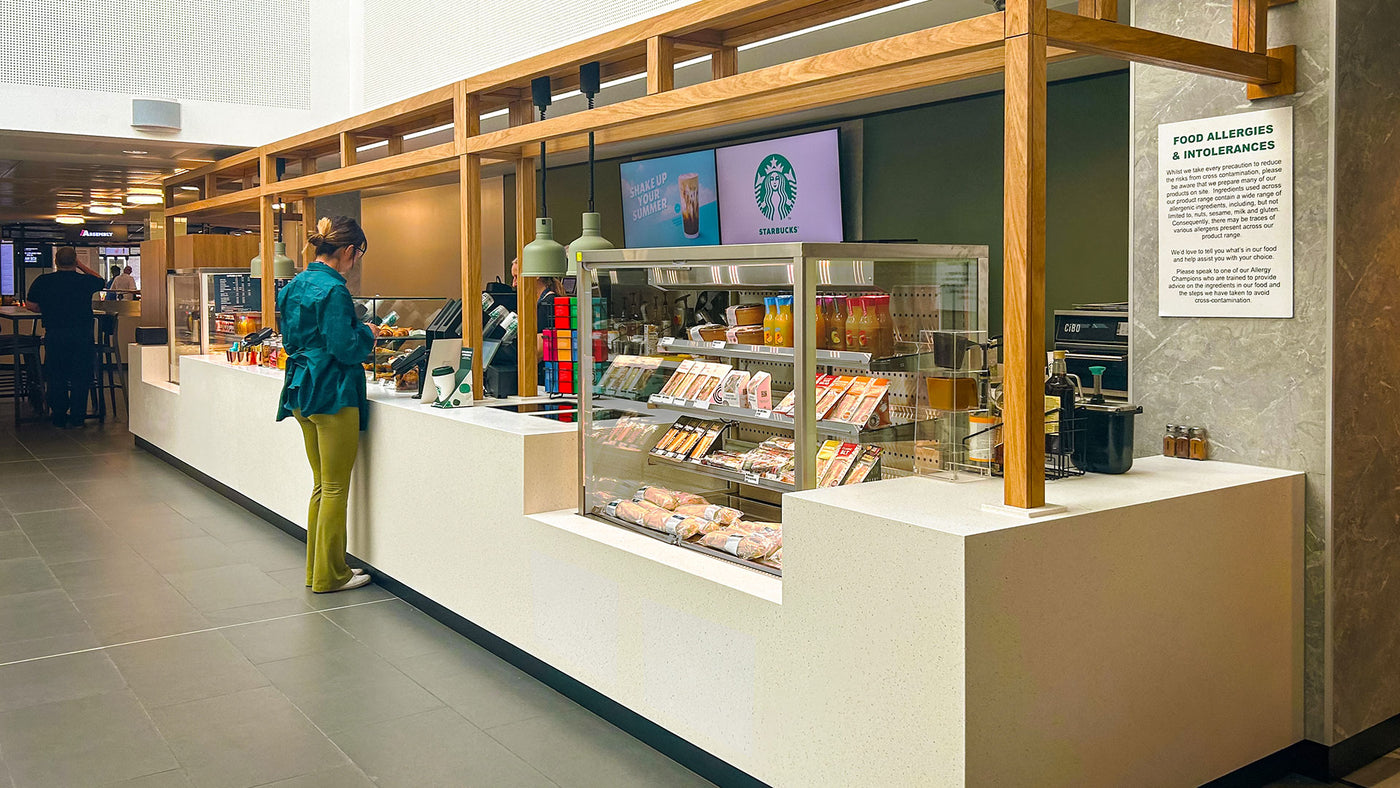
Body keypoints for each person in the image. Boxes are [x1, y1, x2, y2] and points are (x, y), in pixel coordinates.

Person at [275, 217, 375, 593]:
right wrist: (368, 333)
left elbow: (289, 342)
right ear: (348, 251)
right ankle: (332, 575)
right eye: (358, 255)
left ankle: (317, 571)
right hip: (333, 392)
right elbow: (345, 348)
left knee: (321, 486)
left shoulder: (295, 285)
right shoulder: (335, 291)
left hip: (301, 389)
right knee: (335, 488)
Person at [25, 247, 104, 428]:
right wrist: (81, 266)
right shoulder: (85, 281)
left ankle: (59, 415)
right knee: (81, 375)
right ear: (75, 261)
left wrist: (46, 309)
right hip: (82, 335)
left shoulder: (44, 280)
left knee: (56, 374)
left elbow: (31, 304)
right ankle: (78, 417)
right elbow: (100, 280)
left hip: (55, 334)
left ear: (55, 261)